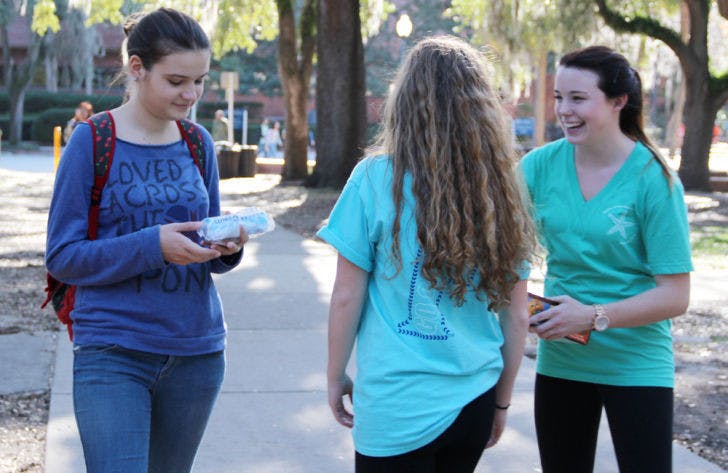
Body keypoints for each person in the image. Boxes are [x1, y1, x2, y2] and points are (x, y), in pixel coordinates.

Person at [316, 36, 535, 472]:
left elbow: (346, 296)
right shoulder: (502, 189)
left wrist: (335, 373)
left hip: (398, 405)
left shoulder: (375, 178)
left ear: (404, 101)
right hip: (475, 395)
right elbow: (516, 314)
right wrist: (502, 403)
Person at [45, 8, 247, 473]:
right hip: (113, 352)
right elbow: (62, 257)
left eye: (200, 80)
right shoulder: (92, 140)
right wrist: (152, 245)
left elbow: (204, 246)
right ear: (138, 68)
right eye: (177, 81)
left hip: (197, 352)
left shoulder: (198, 143)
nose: (192, 94)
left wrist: (227, 247)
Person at [520, 45, 693, 473]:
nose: (563, 110)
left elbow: (676, 295)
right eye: (559, 97)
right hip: (562, 360)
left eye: (578, 98)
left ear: (618, 102)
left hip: (638, 363)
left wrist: (594, 315)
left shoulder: (655, 179)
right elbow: (495, 242)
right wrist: (517, 305)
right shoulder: (538, 166)